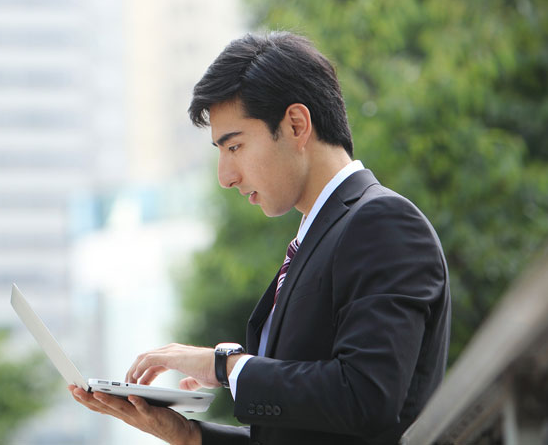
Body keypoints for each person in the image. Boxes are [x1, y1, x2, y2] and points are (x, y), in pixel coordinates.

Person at [69, 32, 451, 445]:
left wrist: (226, 367)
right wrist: (189, 436)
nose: (225, 176)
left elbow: (366, 396)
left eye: (234, 146)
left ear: (296, 125)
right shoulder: (320, 236)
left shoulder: (383, 222)